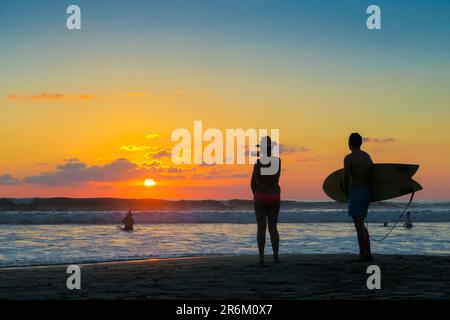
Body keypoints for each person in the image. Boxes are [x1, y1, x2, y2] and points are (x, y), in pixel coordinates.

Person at [343, 132, 373, 262]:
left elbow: (346, 177)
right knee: (362, 224)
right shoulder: (367, 156)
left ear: (349, 144)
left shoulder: (348, 158)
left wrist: (345, 192)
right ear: (360, 143)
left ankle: (362, 254)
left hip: (356, 191)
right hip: (366, 191)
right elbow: (373, 173)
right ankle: (369, 253)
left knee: (358, 225)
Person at [251, 136, 281, 264]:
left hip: (261, 195)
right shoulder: (278, 161)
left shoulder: (258, 162)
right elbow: (276, 178)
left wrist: (256, 193)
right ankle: (275, 257)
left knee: (261, 228)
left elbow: (252, 181)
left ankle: (261, 257)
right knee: (273, 227)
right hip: (274, 195)